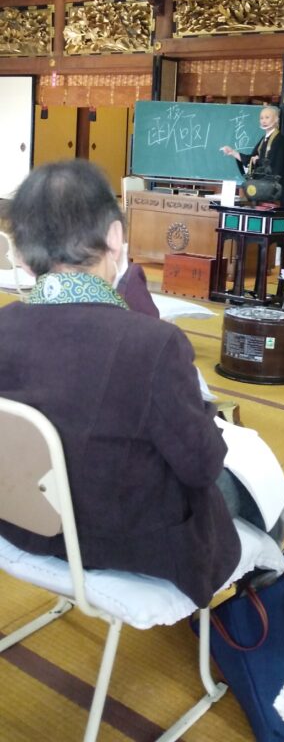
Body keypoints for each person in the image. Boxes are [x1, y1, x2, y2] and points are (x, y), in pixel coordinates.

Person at [0, 159, 242, 609]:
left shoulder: (4, 325)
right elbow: (202, 466)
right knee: (238, 486)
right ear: (115, 238)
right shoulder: (153, 343)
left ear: (23, 254)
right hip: (124, 544)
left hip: (20, 524)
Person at [221, 104, 284, 183]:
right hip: (261, 183)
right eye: (261, 118)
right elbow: (251, 159)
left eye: (267, 117)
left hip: (271, 185)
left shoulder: (279, 141)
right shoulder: (264, 139)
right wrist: (232, 152)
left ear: (276, 119)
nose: (264, 121)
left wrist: (257, 161)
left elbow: (274, 166)